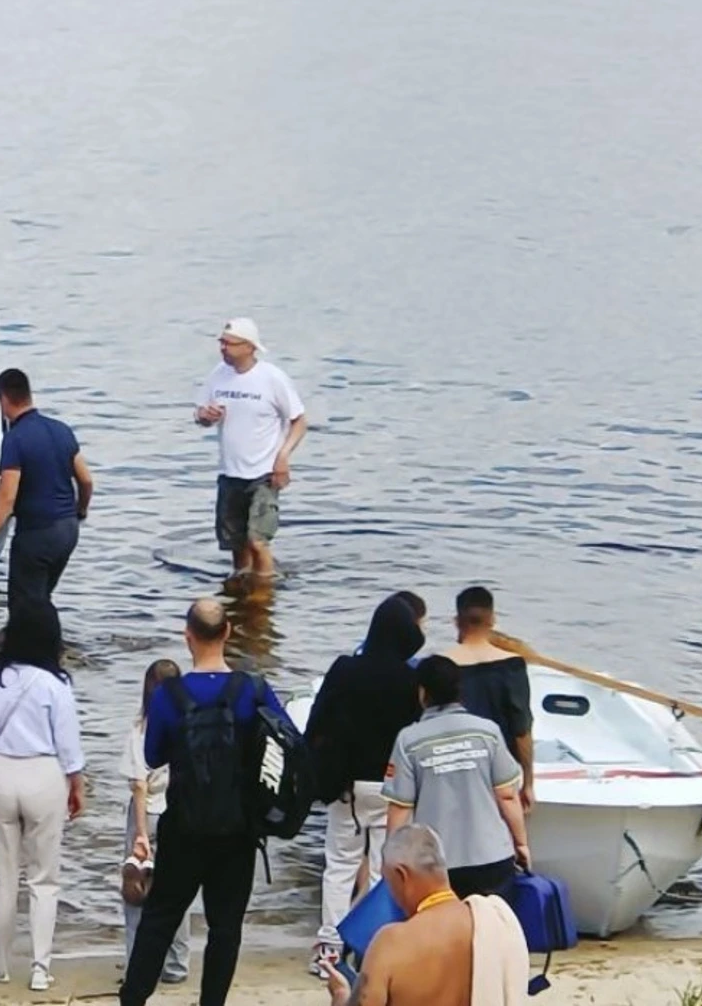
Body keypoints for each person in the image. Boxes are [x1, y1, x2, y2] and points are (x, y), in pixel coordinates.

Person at [120, 598, 287, 1006]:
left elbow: (154, 755)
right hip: (238, 828)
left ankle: (133, 999)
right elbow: (286, 740)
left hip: (184, 826)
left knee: (160, 919)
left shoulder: (170, 696)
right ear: (228, 633)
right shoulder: (253, 689)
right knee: (225, 927)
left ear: (187, 636)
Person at [301, 593, 429, 976]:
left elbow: (317, 723)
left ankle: (329, 952)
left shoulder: (344, 670)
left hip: (348, 787)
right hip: (394, 786)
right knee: (380, 868)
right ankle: (373, 948)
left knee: (339, 866)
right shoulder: (411, 680)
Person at [0, 601, 86, 991]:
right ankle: (40, 967)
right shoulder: (56, 684)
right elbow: (68, 743)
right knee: (44, 878)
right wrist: (77, 784)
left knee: (1, 878)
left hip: (1, 772)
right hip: (44, 773)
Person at [320, 824, 530, 1006]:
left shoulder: (392, 942)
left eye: (389, 883)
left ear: (401, 875)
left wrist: (340, 994)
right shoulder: (495, 920)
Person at [384, 657, 531, 899]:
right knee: (488, 930)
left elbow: (400, 807)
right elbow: (507, 796)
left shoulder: (409, 740)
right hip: (493, 858)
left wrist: (391, 858)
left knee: (445, 933)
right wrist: (521, 843)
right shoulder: (488, 731)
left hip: (436, 866)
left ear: (422, 692)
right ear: (459, 690)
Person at [191, 318, 307, 580]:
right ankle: (241, 587)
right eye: (221, 342)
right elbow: (199, 415)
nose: (223, 348)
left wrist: (283, 457)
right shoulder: (218, 375)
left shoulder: (271, 378)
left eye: (229, 343)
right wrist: (205, 416)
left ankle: (264, 596)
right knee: (237, 544)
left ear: (249, 347)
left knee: (257, 540)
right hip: (230, 472)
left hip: (263, 473)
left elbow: (299, 421)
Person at [0, 370, 93, 617]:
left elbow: (6, 498)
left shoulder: (14, 439)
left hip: (37, 534)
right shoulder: (61, 430)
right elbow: (86, 480)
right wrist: (80, 510)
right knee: (41, 599)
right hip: (68, 530)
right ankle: (50, 647)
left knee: (23, 608)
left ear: (3, 399)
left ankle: (32, 651)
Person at [121, 658, 189, 985]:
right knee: (177, 889)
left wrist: (141, 835)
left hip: (146, 814)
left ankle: (138, 964)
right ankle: (176, 964)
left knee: (136, 890)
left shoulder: (142, 729)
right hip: (179, 811)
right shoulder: (189, 725)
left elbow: (138, 785)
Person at [438, 587, 534, 811]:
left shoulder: (440, 665)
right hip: (498, 771)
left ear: (456, 621)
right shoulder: (513, 666)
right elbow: (521, 730)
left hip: (452, 770)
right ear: (492, 620)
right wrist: (528, 781)